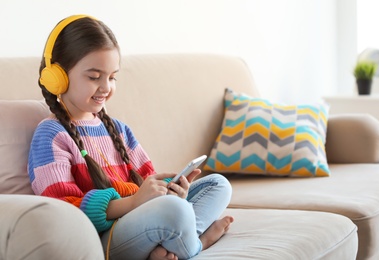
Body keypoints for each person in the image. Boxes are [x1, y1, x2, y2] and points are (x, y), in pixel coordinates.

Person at [28, 14, 234, 260]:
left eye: (112, 77)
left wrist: (168, 191)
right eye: (94, 77)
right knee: (173, 212)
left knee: (217, 185)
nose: (106, 87)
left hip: (144, 220)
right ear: (58, 77)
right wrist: (134, 202)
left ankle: (174, 241)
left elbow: (148, 183)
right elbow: (63, 211)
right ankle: (199, 242)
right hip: (105, 237)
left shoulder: (119, 130)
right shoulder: (51, 135)